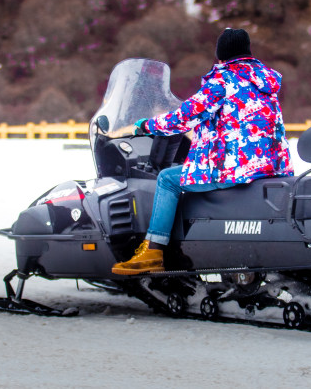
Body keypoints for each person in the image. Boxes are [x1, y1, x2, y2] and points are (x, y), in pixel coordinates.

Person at [112, 28, 294, 275]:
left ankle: (153, 251)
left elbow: (183, 117)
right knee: (184, 172)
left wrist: (145, 126)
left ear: (221, 56)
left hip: (235, 168)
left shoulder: (223, 81)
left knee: (167, 179)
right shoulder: (266, 81)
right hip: (271, 167)